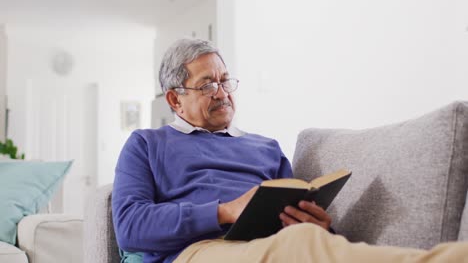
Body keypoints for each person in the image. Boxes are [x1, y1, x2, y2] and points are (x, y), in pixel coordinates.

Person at [112, 38, 468, 263]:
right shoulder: (147, 144)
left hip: (276, 245)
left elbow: (292, 208)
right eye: (207, 84)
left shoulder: (265, 148)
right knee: (298, 248)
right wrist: (225, 212)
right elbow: (130, 227)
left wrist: (316, 223)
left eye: (225, 80)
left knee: (305, 238)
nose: (222, 92)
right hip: (198, 252)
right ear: (175, 99)